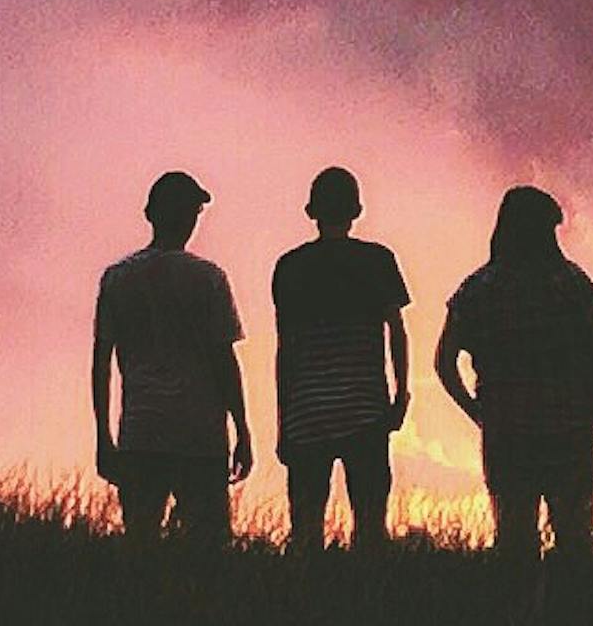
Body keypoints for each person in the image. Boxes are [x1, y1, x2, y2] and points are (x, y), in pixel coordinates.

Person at [435, 186, 593, 563]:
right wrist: (592, 400)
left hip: (506, 430)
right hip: (570, 429)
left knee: (514, 541)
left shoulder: (479, 289)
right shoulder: (572, 283)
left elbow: (444, 361)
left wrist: (477, 411)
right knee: (576, 541)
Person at [90, 171, 248, 543]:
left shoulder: (117, 278)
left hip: (142, 432)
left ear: (150, 214)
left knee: (141, 546)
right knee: (208, 550)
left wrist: (103, 436)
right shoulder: (209, 278)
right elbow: (224, 361)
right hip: (201, 436)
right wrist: (242, 429)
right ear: (190, 217)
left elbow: (101, 364)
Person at [267, 167, 413, 550]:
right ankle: (367, 602)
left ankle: (307, 603)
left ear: (311, 211)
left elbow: (286, 349)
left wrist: (283, 422)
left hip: (307, 412)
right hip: (365, 409)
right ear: (357, 210)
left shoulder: (290, 267)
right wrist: (401, 394)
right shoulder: (378, 260)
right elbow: (396, 331)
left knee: (306, 531)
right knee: (370, 527)